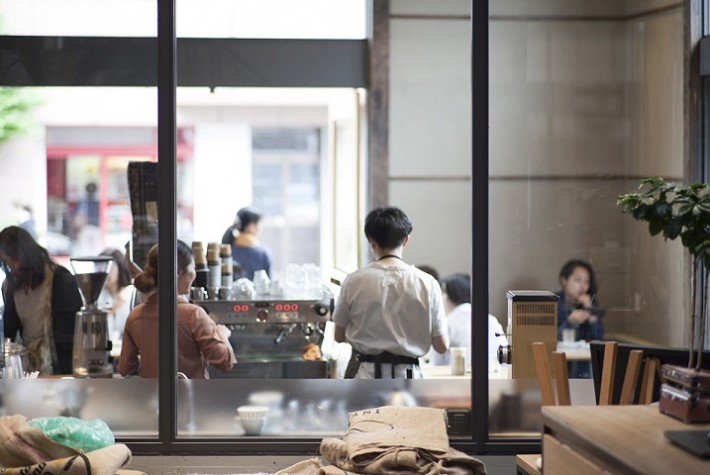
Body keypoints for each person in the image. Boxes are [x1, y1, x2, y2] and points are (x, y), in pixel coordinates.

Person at [333, 207, 449, 379]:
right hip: (408, 378)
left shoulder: (354, 280)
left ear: (371, 241)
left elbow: (339, 335)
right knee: (407, 408)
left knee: (366, 408)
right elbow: (441, 346)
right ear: (406, 240)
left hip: (365, 377)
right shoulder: (427, 283)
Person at [118, 240, 236, 379]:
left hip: (152, 399)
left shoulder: (135, 316)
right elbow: (225, 362)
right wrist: (221, 333)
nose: (195, 274)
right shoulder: (194, 315)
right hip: (193, 398)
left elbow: (126, 369)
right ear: (178, 272)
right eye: (193, 267)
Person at [0, 226, 82, 375]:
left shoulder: (61, 279)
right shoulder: (10, 287)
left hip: (61, 365)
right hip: (29, 366)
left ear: (25, 254)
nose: (13, 267)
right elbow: (9, 333)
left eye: (14, 260)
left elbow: (75, 331)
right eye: (7, 263)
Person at [428, 273, 508, 373]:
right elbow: (506, 353)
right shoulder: (491, 319)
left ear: (451, 296)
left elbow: (436, 362)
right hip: (499, 376)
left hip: (464, 381)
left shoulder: (448, 322)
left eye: (444, 294)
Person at [556, 258, 605, 378]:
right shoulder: (554, 302)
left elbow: (598, 339)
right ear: (564, 280)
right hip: (558, 364)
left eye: (586, 281)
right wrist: (571, 322)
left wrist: (592, 314)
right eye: (578, 280)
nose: (583, 286)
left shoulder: (591, 303)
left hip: (584, 364)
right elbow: (553, 339)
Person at [221, 207, 272, 280]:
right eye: (259, 225)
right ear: (251, 226)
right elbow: (269, 283)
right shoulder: (263, 252)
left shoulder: (227, 248)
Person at [98, 248, 136, 346]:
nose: (105, 272)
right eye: (100, 267)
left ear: (120, 267)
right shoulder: (99, 295)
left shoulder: (130, 293)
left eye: (109, 267)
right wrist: (110, 313)